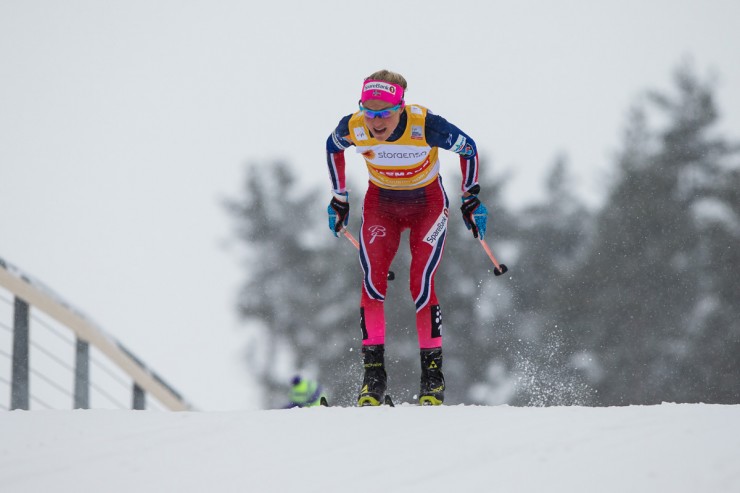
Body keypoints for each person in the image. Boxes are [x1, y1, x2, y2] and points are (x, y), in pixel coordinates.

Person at [325, 69, 488, 406]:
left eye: (384, 112)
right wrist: (340, 198)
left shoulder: (425, 125)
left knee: (421, 283)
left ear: (401, 106)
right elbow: (332, 147)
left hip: (427, 205)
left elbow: (468, 148)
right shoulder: (354, 126)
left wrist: (471, 197)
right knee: (372, 281)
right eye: (369, 111)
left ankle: (432, 379)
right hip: (381, 205)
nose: (376, 121)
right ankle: (373, 378)